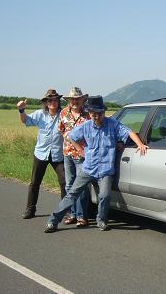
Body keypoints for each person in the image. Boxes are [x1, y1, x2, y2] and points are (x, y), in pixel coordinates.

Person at [44, 95, 148, 232]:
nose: (96, 116)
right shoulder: (85, 126)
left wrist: (140, 144)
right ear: (89, 113)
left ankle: (101, 220)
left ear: (103, 112)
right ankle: (53, 221)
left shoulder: (112, 124)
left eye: (99, 113)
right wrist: (80, 150)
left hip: (105, 170)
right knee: (72, 194)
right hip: (88, 168)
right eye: (93, 113)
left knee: (104, 196)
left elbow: (128, 132)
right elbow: (71, 137)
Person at [17, 89, 66, 219]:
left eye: (55, 99)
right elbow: (25, 120)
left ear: (58, 102)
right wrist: (21, 110)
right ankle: (30, 210)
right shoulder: (40, 114)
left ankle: (65, 211)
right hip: (41, 153)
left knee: (64, 182)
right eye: (50, 100)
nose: (52, 102)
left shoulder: (64, 115)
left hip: (58, 154)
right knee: (34, 182)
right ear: (45, 102)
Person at [59, 87, 90, 227]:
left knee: (81, 186)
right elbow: (61, 129)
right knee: (69, 185)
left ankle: (82, 216)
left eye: (78, 98)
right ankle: (72, 214)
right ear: (69, 100)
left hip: (82, 155)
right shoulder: (64, 112)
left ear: (83, 99)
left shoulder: (88, 114)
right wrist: (68, 141)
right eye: (72, 99)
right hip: (67, 153)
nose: (75, 101)